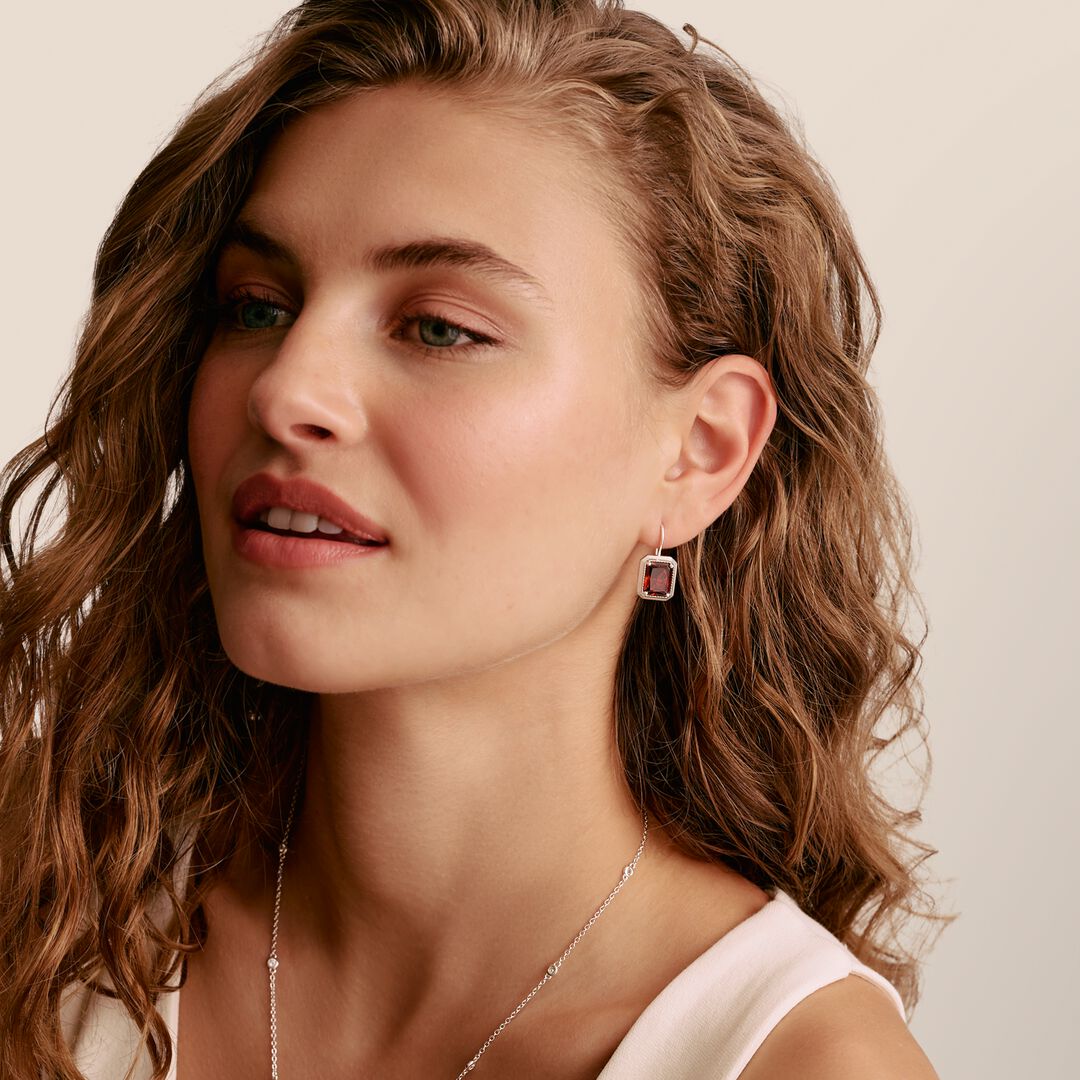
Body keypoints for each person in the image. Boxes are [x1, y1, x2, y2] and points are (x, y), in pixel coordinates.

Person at [0, 1, 952, 1077]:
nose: (287, 389)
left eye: (440, 327)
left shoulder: (798, 1064)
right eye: (257, 305)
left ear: (699, 450)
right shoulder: (40, 942)